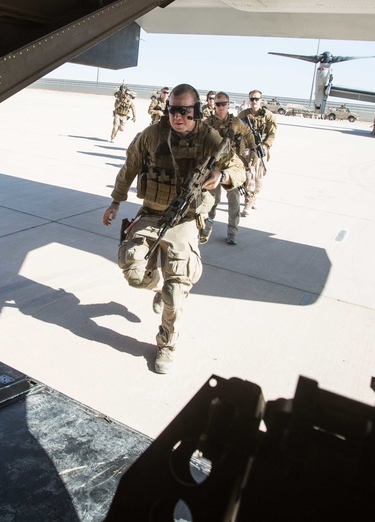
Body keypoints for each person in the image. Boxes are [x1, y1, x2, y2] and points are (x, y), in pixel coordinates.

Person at [102, 84, 245, 374]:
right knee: (134, 274)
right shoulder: (152, 134)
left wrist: (221, 175)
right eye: (173, 110)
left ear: (196, 111)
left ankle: (166, 345)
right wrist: (116, 200)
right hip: (151, 214)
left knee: (176, 291)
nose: (177, 116)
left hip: (185, 220)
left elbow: (239, 169)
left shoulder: (209, 138)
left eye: (184, 111)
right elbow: (130, 166)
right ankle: (158, 287)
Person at [204, 92, 255, 245]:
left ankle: (232, 232)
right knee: (212, 200)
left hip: (232, 167)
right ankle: (206, 227)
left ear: (228, 104)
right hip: (213, 166)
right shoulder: (207, 123)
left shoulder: (236, 122)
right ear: (214, 105)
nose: (221, 107)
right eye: (218, 104)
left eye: (224, 104)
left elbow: (249, 135)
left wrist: (252, 154)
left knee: (234, 201)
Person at [240, 90, 277, 216]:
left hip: (261, 150)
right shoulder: (243, 115)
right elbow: (237, 131)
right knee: (248, 176)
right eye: (252, 99)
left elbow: (272, 133)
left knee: (259, 179)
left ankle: (254, 197)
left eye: (256, 99)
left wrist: (265, 145)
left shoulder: (269, 116)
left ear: (261, 100)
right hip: (247, 150)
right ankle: (248, 202)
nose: (254, 101)